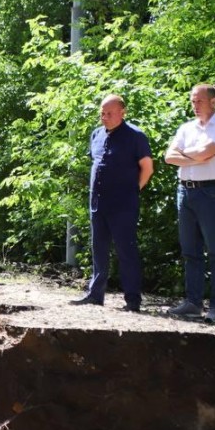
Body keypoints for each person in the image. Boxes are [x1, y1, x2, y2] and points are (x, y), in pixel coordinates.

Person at [69, 94, 154, 312]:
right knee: (99, 249)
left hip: (124, 204)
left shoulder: (135, 136)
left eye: (109, 113)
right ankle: (95, 294)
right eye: (102, 113)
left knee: (126, 251)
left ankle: (132, 300)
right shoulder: (96, 134)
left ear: (122, 112)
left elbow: (147, 168)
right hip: (98, 203)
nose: (104, 117)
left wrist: (133, 191)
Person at [164, 84, 215, 323]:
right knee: (190, 250)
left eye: (199, 101)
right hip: (185, 192)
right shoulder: (186, 127)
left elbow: (208, 151)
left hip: (211, 192)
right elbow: (168, 157)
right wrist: (198, 156)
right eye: (193, 101)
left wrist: (187, 156)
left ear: (213, 101)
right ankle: (193, 303)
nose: (195, 105)